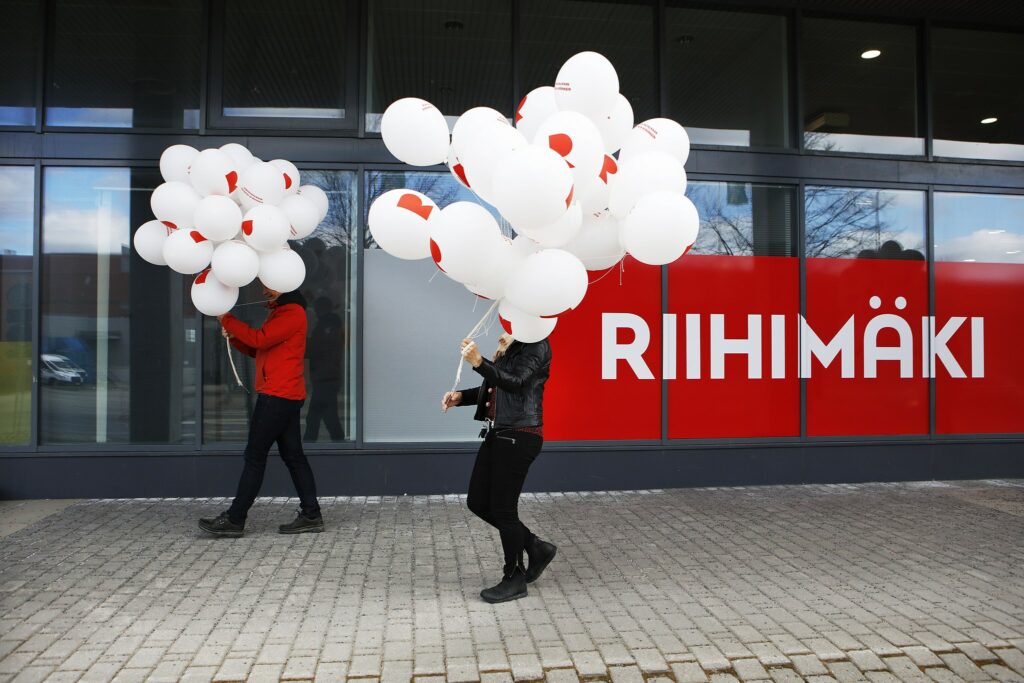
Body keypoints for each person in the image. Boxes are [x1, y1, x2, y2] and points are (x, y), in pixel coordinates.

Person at [198, 286, 324, 537]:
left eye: (269, 285)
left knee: (255, 456)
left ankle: (235, 519)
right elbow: (259, 349)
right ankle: (311, 514)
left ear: (284, 283)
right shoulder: (283, 312)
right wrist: (234, 337)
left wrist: (227, 319)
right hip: (284, 394)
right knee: (293, 457)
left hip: (277, 395)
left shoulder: (292, 312)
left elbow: (260, 339)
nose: (264, 290)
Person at [442, 333, 557, 603]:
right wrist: (461, 397)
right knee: (478, 502)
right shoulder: (515, 345)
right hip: (500, 433)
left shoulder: (536, 344)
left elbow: (516, 384)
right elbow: (497, 389)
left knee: (504, 510)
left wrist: (478, 361)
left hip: (521, 434)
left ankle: (514, 578)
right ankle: (535, 547)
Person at [304, 296, 345, 442]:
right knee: (329, 417)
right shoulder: (332, 324)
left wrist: (299, 345)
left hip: (325, 378)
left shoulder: (326, 325)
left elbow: (316, 348)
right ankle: (339, 443)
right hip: (328, 377)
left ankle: (308, 446)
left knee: (314, 417)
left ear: (319, 309)